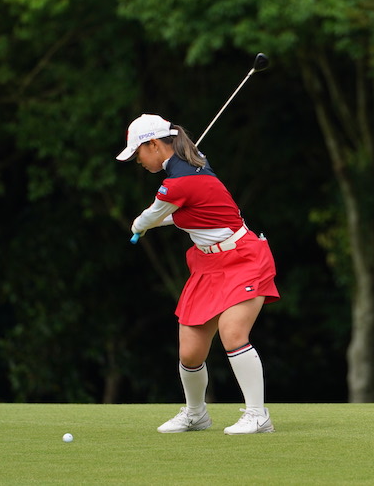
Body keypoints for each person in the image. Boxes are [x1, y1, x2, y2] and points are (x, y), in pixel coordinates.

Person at [116, 113, 280, 435]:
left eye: (139, 153)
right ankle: (196, 414)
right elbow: (184, 213)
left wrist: (139, 225)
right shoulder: (190, 170)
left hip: (243, 258)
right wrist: (154, 218)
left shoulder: (179, 181)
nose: (138, 160)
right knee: (190, 352)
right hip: (208, 266)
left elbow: (153, 214)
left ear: (153, 145)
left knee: (233, 334)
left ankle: (258, 415)